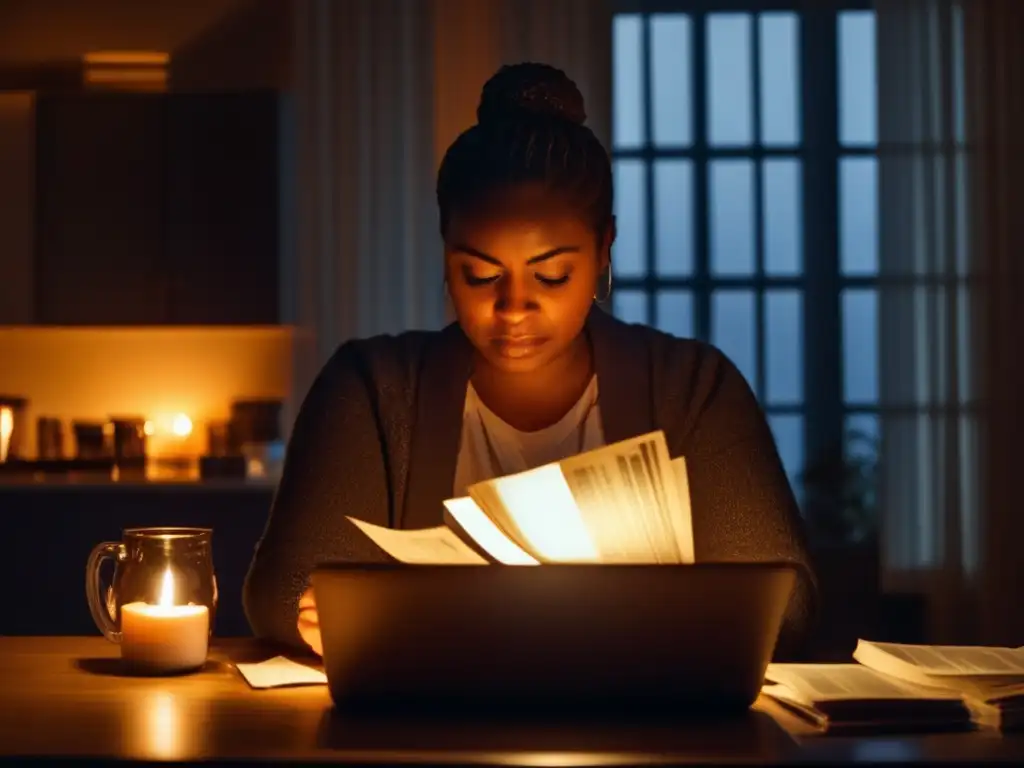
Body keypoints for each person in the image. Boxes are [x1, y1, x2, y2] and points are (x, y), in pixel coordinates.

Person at [243, 62, 817, 660]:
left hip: (651, 735)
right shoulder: (371, 388)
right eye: (481, 274)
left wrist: (423, 616)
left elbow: (785, 605)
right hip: (426, 735)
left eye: (551, 275)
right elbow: (287, 592)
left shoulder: (694, 389)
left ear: (603, 251)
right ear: (445, 255)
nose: (513, 308)